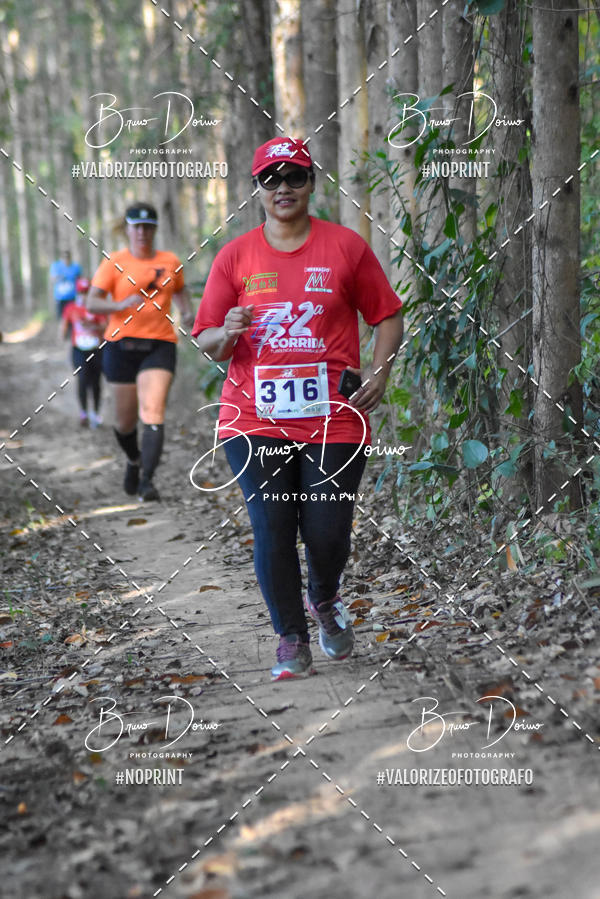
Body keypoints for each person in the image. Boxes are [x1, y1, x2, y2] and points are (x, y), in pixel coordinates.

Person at [192, 137, 404, 681]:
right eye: (271, 178)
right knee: (272, 525)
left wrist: (379, 373)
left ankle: (324, 596)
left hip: (335, 417)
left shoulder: (346, 247)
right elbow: (207, 341)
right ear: (257, 189)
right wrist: (227, 331)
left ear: (312, 182)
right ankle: (290, 637)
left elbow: (387, 315)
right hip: (252, 418)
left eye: (294, 176)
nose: (282, 187)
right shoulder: (235, 257)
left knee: (328, 531)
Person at [86, 202, 194, 502]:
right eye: (137, 226)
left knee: (153, 412)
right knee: (124, 423)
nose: (143, 232)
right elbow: (92, 302)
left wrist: (187, 311)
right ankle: (134, 460)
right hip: (120, 346)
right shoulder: (114, 262)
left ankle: (147, 481)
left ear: (155, 229)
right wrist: (118, 305)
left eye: (148, 226)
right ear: (128, 229)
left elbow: (180, 289)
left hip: (160, 344)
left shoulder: (170, 261)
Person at [61, 277, 106, 427]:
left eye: (86, 292)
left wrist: (93, 326)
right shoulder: (71, 308)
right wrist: (63, 335)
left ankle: (96, 413)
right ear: (77, 293)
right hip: (78, 350)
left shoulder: (97, 308)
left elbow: (106, 326)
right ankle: (83, 413)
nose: (84, 295)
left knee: (96, 382)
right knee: (82, 379)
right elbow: (64, 326)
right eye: (81, 292)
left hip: (96, 350)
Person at [50, 250, 82, 319]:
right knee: (61, 318)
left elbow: (79, 280)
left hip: (72, 297)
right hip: (60, 297)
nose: (66, 259)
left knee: (72, 317)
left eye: (67, 257)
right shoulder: (56, 266)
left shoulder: (76, 267)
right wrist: (60, 277)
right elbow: (53, 279)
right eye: (64, 257)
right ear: (61, 258)